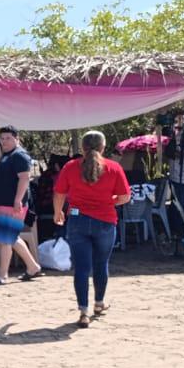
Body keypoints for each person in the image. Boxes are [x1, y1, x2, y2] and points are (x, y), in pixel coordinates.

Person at [52, 130, 131, 328]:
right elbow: (125, 197)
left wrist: (57, 213)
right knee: (101, 263)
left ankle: (83, 311)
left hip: (78, 221)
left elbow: (59, 193)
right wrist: (109, 200)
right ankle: (99, 303)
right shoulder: (113, 168)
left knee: (81, 267)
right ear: (103, 147)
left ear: (82, 148)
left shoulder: (71, 167)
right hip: (105, 221)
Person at [0, 126, 43, 285]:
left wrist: (18, 200)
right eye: (2, 138)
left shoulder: (19, 156)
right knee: (9, 238)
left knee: (5, 239)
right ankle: (33, 267)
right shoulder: (1, 155)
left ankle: (2, 275)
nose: (4, 141)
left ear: (17, 139)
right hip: (1, 202)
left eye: (8, 138)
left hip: (13, 205)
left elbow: (24, 178)